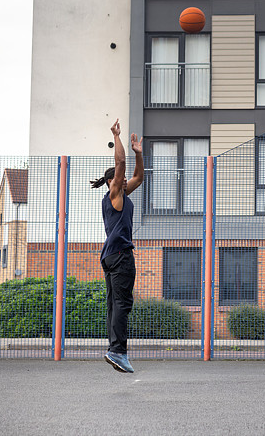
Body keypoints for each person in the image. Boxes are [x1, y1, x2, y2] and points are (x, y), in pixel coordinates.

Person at [90, 119, 144, 373]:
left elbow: (138, 177)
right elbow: (121, 165)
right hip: (121, 257)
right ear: (114, 183)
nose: (126, 182)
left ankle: (114, 349)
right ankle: (118, 351)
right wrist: (117, 136)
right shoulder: (115, 196)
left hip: (111, 256)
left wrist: (139, 155)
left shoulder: (121, 195)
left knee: (114, 304)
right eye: (121, 181)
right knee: (122, 303)